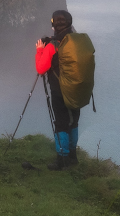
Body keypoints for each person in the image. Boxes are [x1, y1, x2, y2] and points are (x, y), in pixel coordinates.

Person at [37, 9, 95, 170]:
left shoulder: (52, 46)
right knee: (73, 122)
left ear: (55, 24)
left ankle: (62, 160)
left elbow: (41, 69)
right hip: (76, 89)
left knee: (61, 124)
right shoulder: (75, 41)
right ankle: (72, 156)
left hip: (59, 91)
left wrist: (40, 50)